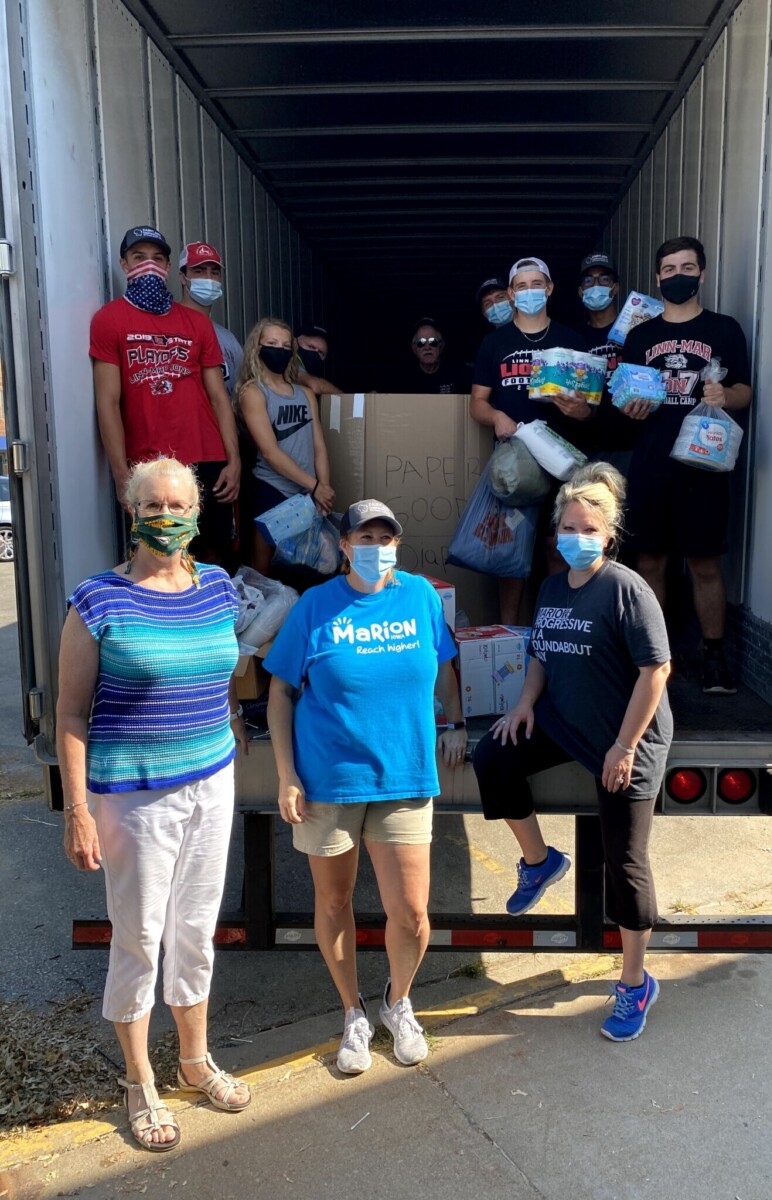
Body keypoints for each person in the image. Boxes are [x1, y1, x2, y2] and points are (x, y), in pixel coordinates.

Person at [57, 457, 251, 1152]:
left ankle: (195, 1060)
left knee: (195, 930)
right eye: (154, 505)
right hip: (133, 797)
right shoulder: (97, 600)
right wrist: (77, 810)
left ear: (197, 516)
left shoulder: (219, 587)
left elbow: (224, 672)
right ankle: (140, 1080)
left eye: (178, 505)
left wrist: (225, 723)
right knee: (139, 938)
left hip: (210, 782)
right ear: (132, 513)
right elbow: (71, 714)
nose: (167, 517)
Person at [264, 500, 467, 1074]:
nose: (376, 545)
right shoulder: (315, 606)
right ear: (345, 545)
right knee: (334, 901)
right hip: (330, 781)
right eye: (364, 536)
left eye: (386, 536)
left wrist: (454, 724)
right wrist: (286, 774)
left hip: (404, 773)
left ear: (397, 545)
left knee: (411, 911)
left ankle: (397, 1002)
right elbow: (280, 692)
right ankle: (351, 1010)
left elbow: (446, 666)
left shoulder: (421, 597)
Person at [472, 462, 672, 1042]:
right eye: (567, 528)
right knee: (495, 756)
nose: (576, 538)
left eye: (588, 529)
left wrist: (624, 745)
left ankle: (635, 984)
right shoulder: (554, 585)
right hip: (564, 721)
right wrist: (524, 704)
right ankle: (540, 862)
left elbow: (656, 669)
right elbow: (540, 651)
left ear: (607, 534)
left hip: (624, 738)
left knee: (624, 864)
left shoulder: (626, 589)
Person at [617, 236, 752, 694]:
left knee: (704, 562)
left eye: (687, 267)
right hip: (652, 462)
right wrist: (631, 407)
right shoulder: (640, 336)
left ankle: (714, 657)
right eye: (670, 269)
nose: (679, 276)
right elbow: (625, 395)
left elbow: (745, 391)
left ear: (702, 274)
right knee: (649, 560)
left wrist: (725, 395)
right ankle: (656, 659)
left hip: (704, 463)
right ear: (658, 278)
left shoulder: (725, 330)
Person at [90, 226, 241, 565]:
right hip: (149, 464)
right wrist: (120, 475)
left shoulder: (196, 324)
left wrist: (234, 460)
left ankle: (212, 617)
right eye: (139, 257)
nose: (149, 265)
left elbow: (219, 397)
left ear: (169, 268)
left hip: (207, 455)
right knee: (159, 556)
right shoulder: (109, 319)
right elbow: (107, 403)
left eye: (157, 259)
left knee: (214, 554)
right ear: (124, 264)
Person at [470, 257, 590, 622]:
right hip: (514, 467)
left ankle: (558, 628)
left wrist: (577, 410)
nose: (529, 292)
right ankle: (509, 634)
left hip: (561, 463)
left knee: (559, 548)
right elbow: (477, 402)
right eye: (521, 287)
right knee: (511, 555)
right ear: (510, 293)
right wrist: (497, 416)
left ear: (550, 289)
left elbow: (589, 409)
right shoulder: (494, 343)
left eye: (536, 284)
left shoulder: (570, 340)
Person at [236, 318, 334, 574]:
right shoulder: (253, 393)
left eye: (285, 345)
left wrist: (322, 486)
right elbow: (269, 451)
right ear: (257, 347)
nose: (279, 350)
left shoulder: (305, 394)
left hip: (308, 495)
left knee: (311, 567)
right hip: (272, 490)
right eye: (271, 343)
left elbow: (319, 445)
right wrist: (315, 486)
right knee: (265, 572)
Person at [577, 252, 637, 475]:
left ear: (615, 288)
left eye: (604, 279)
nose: (596, 285)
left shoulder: (636, 333)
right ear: (580, 291)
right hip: (588, 445)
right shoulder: (574, 339)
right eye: (588, 281)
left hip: (631, 443)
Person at [178, 241, 244, 401]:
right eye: (199, 271)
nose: (208, 278)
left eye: (214, 272)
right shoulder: (166, 327)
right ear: (183, 277)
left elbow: (241, 393)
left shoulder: (229, 339)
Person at [389, 318, 472, 394]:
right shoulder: (402, 379)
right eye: (421, 343)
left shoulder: (459, 375)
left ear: (441, 345)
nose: (427, 347)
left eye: (433, 342)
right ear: (414, 348)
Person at [293, 323, 342, 396]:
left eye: (320, 352)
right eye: (311, 347)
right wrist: (345, 397)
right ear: (295, 344)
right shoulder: (292, 361)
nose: (315, 353)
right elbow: (315, 386)